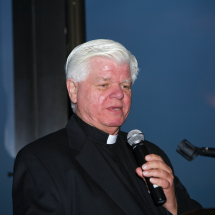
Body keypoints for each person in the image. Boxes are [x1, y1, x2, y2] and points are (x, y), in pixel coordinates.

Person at [13, 39, 202, 215]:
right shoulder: (40, 161)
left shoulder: (151, 153)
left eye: (126, 86)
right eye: (104, 84)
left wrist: (172, 204)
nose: (119, 94)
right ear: (73, 90)